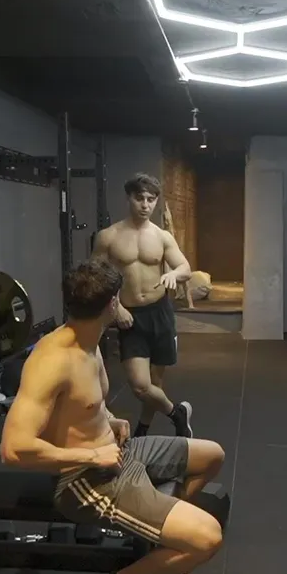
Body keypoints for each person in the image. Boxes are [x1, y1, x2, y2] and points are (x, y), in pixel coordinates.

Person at [1, 259, 226, 574]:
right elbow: (13, 448)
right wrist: (91, 455)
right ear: (111, 304)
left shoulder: (89, 339)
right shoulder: (52, 360)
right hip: (85, 479)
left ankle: (159, 549)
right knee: (208, 538)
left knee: (211, 456)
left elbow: (83, 404)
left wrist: (109, 419)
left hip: (117, 451)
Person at [92, 173, 195, 438]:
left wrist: (174, 274)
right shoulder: (108, 236)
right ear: (129, 198)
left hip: (159, 313)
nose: (145, 205)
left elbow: (185, 267)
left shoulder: (162, 237)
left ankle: (143, 431)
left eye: (151, 199)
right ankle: (177, 413)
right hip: (131, 317)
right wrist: (116, 307)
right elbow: (95, 277)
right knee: (140, 386)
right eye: (140, 198)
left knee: (155, 383)